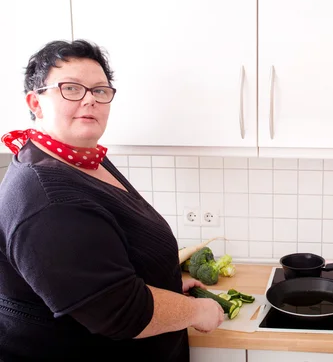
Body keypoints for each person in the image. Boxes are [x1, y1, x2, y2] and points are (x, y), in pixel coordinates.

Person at [0, 40, 224, 361]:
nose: (90, 100)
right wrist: (195, 311)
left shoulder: (84, 159)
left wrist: (166, 287)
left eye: (100, 90)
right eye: (71, 88)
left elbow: (99, 272)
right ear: (35, 103)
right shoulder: (49, 199)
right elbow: (121, 312)